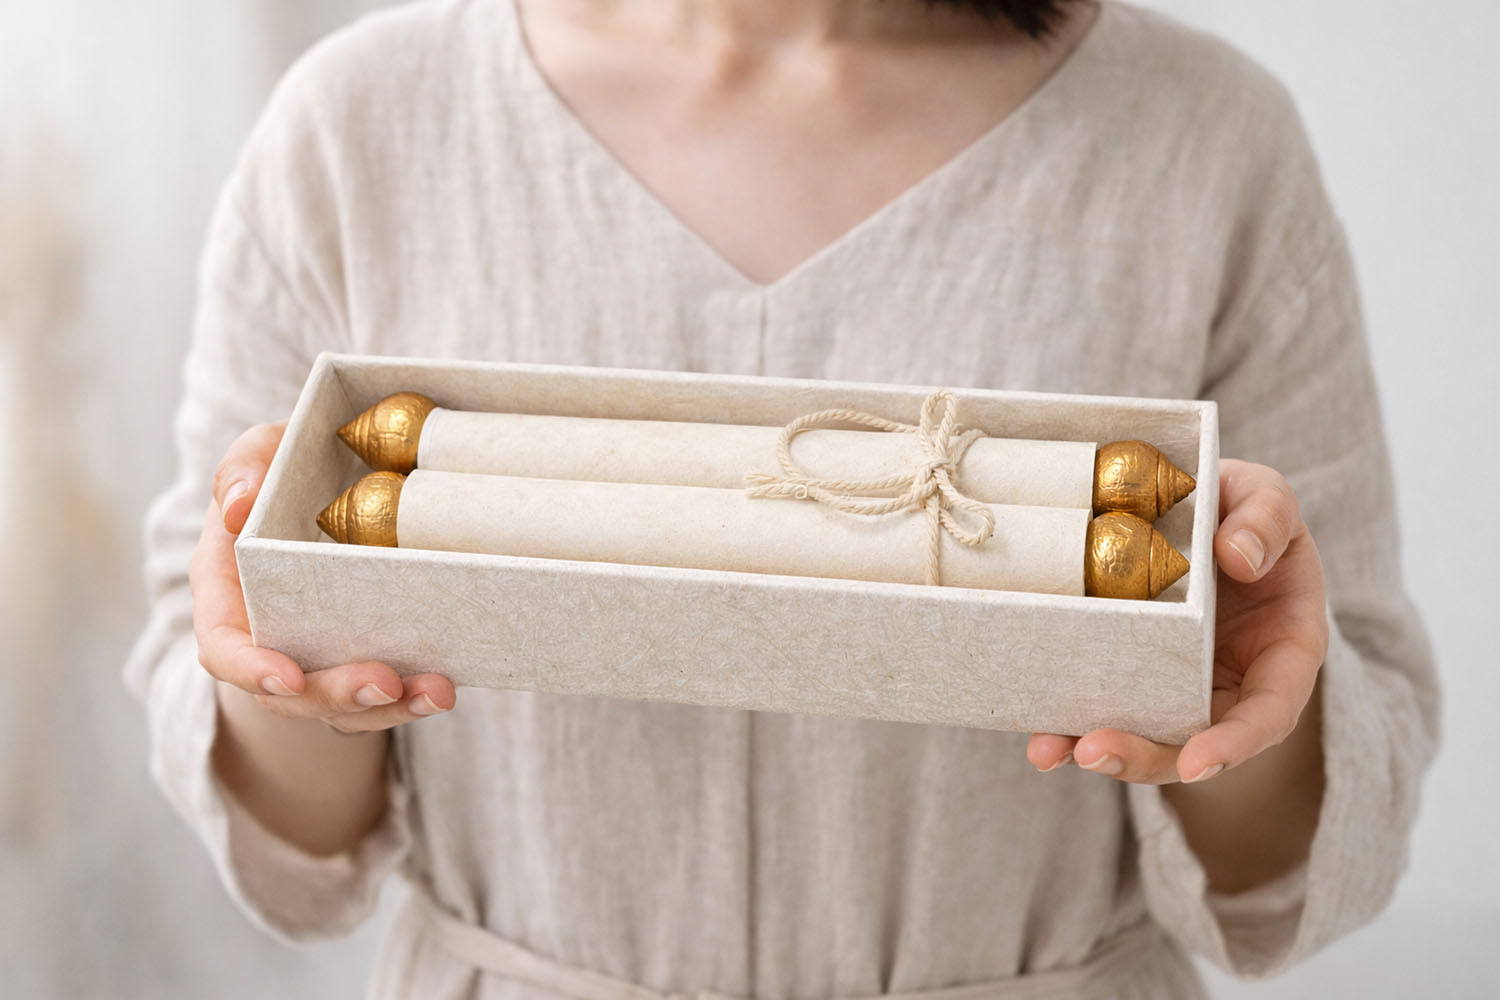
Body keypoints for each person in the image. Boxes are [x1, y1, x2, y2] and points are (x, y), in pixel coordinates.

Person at [126, 0, 1439, 996]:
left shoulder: (1204, 139)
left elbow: (1298, 866)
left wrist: (1241, 709)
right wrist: (284, 672)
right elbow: (283, 848)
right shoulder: (360, 125)